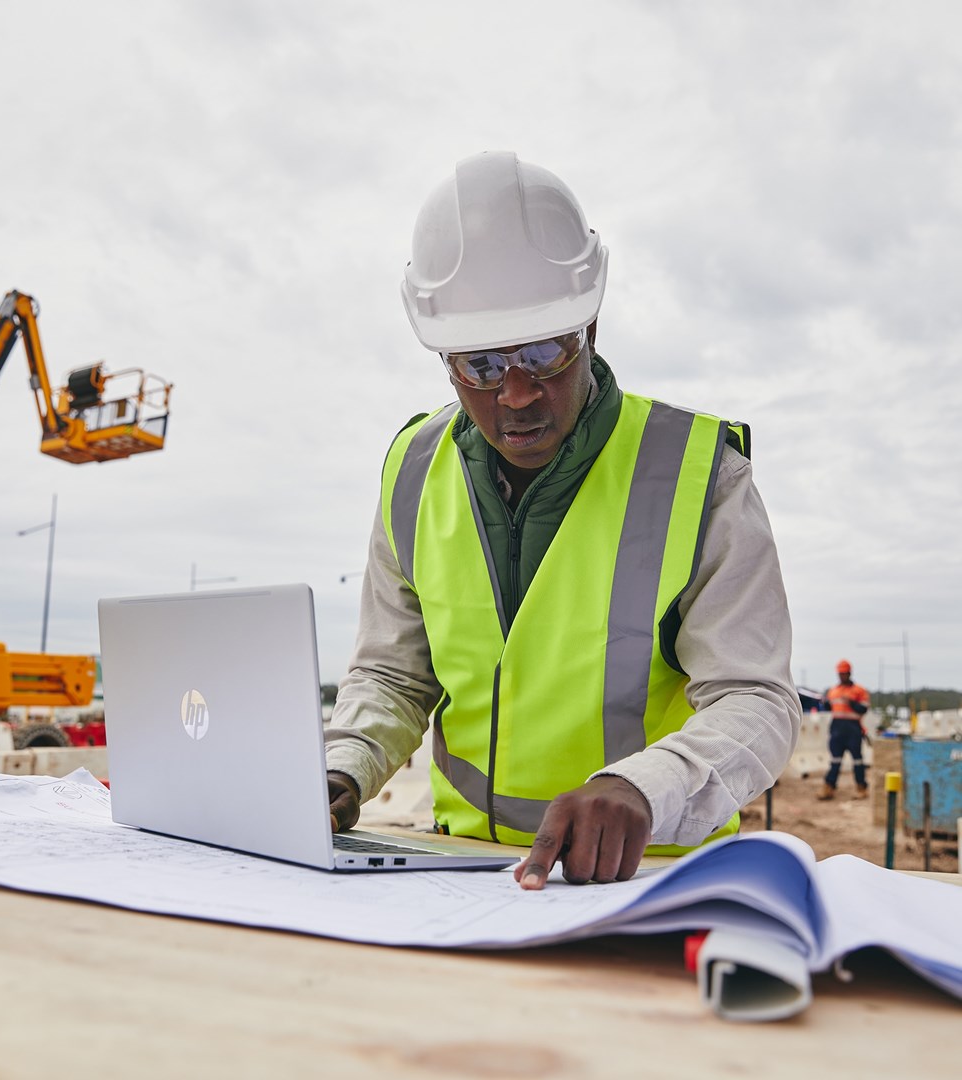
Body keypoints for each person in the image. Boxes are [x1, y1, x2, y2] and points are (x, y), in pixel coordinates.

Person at [324, 151, 801, 888]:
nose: (515, 393)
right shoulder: (414, 471)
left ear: (591, 326)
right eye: (481, 365)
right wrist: (341, 768)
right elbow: (394, 672)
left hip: (649, 882)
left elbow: (756, 698)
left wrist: (646, 785)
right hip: (459, 874)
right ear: (444, 358)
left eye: (544, 352)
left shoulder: (700, 474)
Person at [817, 660, 871, 800]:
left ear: (849, 673)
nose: (842, 676)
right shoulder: (833, 691)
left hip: (853, 729)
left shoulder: (859, 690)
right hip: (837, 729)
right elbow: (829, 708)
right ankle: (829, 787)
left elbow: (864, 708)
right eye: (840, 674)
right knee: (835, 760)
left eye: (844, 673)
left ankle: (861, 788)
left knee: (857, 761)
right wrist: (825, 703)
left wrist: (851, 703)